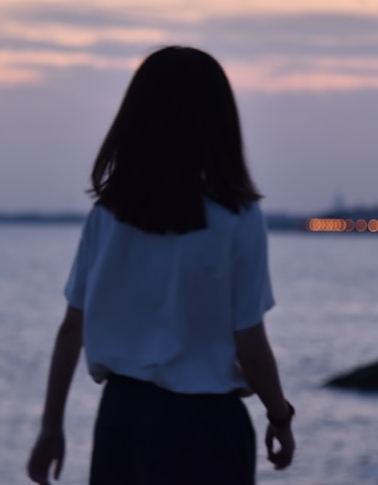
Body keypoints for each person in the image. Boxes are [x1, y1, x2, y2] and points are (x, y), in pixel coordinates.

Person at [26, 46, 295, 484]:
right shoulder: (237, 218)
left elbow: (71, 329)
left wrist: (51, 427)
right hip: (204, 428)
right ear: (219, 123)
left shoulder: (108, 215)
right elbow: (250, 344)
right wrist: (279, 416)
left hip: (122, 420)